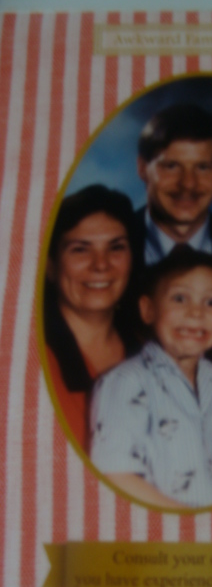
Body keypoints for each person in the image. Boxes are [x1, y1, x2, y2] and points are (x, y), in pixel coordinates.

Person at [89, 249, 212, 509]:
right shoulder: (125, 381)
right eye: (180, 298)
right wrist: (190, 523)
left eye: (211, 302)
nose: (196, 312)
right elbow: (117, 477)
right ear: (148, 310)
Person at [44, 184, 140, 451]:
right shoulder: (28, 357)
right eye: (80, 249)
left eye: (116, 247)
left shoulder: (152, 351)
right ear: (51, 266)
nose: (101, 264)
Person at [134, 103, 212, 265]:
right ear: (142, 168)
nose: (188, 184)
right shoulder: (111, 245)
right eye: (171, 166)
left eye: (202, 167)